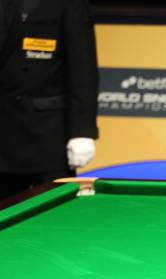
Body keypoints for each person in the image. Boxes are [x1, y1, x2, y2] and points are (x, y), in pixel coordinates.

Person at [0, 0, 99, 200]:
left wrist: (82, 132)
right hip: (3, 130)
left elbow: (83, 69)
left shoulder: (69, 4)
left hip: (48, 136)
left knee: (54, 212)